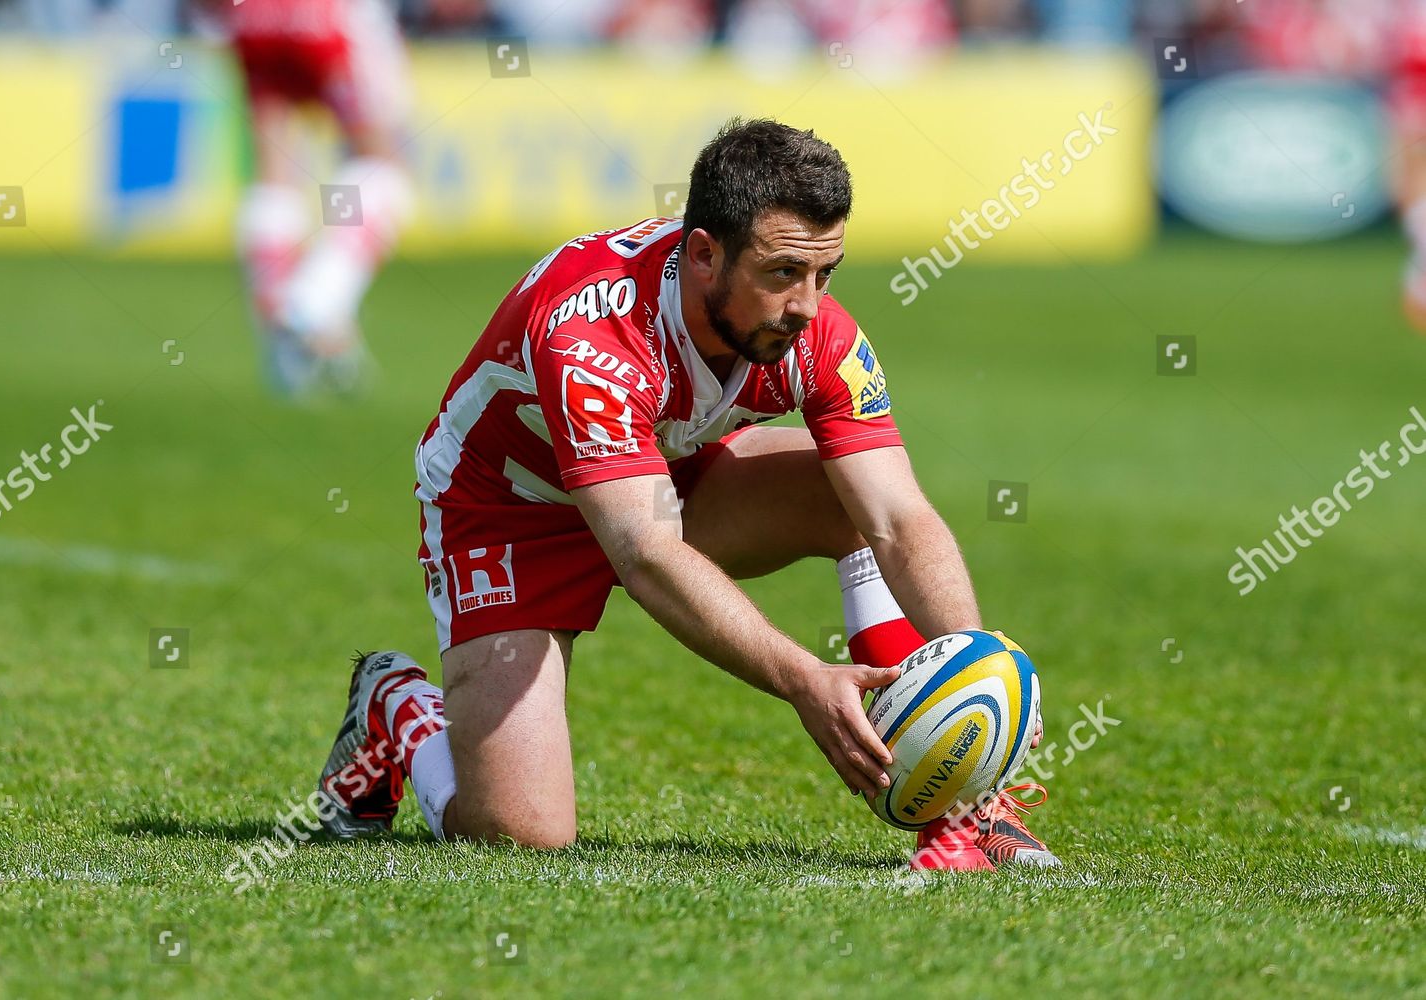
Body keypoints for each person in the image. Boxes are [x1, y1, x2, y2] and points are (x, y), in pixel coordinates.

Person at [316, 119, 1056, 870]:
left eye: (824, 273)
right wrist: (806, 679)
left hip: (662, 476)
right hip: (511, 511)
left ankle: (966, 817)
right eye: (782, 273)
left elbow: (899, 518)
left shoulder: (815, 333)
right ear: (704, 254)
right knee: (522, 833)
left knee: (850, 499)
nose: (806, 305)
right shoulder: (592, 335)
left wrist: (978, 665)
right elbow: (646, 554)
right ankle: (400, 710)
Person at [222, 0, 416, 394]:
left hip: (252, 15)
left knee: (275, 169)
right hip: (330, 16)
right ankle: (316, 303)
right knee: (385, 163)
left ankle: (282, 340)